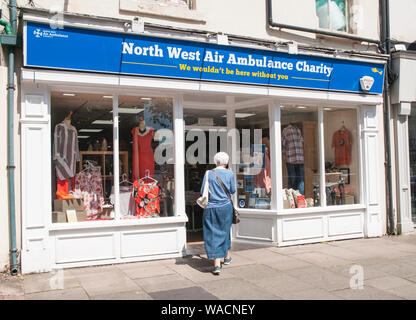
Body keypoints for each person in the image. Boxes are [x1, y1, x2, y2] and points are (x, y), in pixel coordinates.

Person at [200, 152, 236, 275]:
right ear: (226, 162)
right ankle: (220, 262)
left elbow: (202, 191)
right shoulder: (230, 173)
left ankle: (223, 260)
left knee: (214, 233)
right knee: (225, 231)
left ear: (215, 161)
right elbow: (232, 190)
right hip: (226, 207)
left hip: (211, 207)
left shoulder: (209, 173)